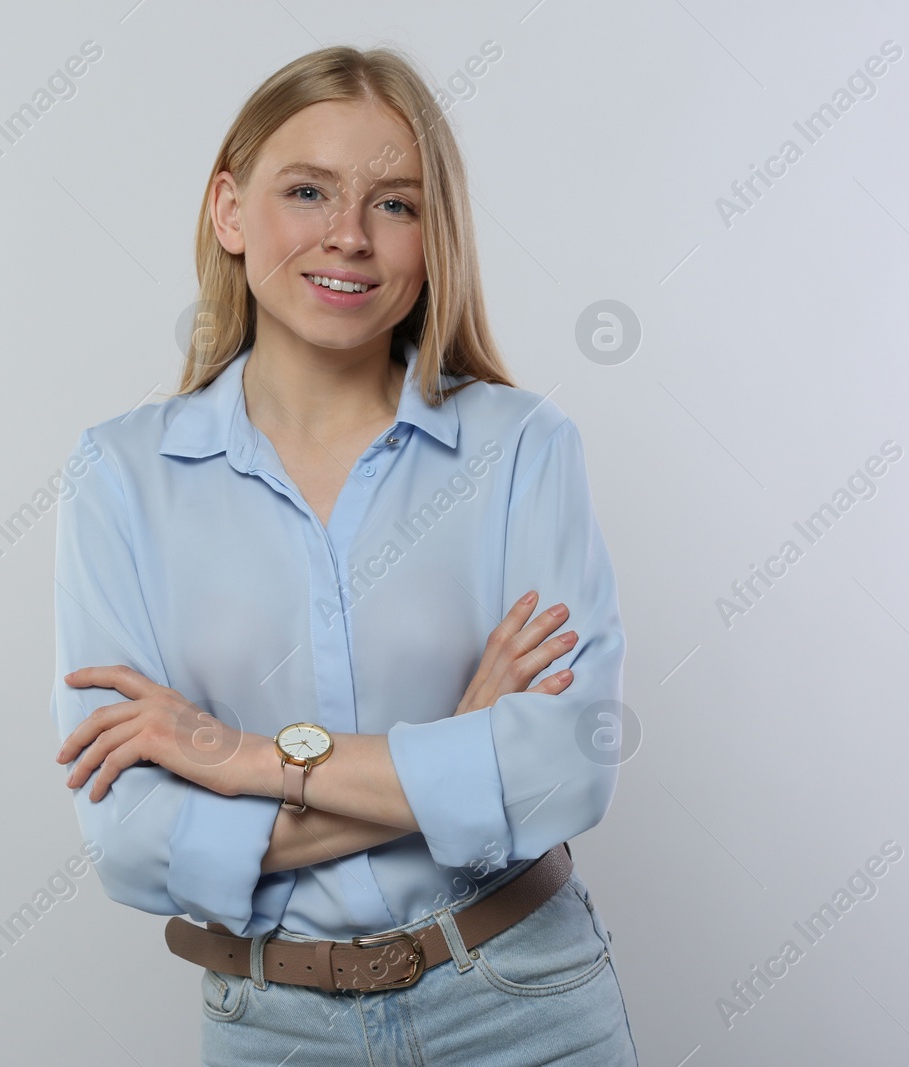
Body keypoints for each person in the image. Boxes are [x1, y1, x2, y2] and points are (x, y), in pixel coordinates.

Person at [49, 44, 638, 1065]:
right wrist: (458, 747)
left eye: (397, 204)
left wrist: (230, 756)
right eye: (308, 190)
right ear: (230, 211)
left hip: (522, 1002)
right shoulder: (120, 474)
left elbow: (558, 775)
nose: (350, 236)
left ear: (432, 235)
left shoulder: (521, 449)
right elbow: (132, 842)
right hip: (274, 1027)